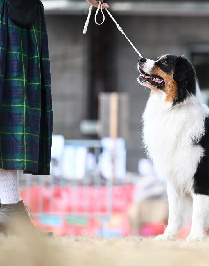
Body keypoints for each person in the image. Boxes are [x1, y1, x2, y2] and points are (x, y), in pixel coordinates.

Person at [0, 0, 108, 235]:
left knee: (12, 115)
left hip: (18, 14)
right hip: (8, 16)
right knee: (9, 112)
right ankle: (8, 210)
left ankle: (8, 207)